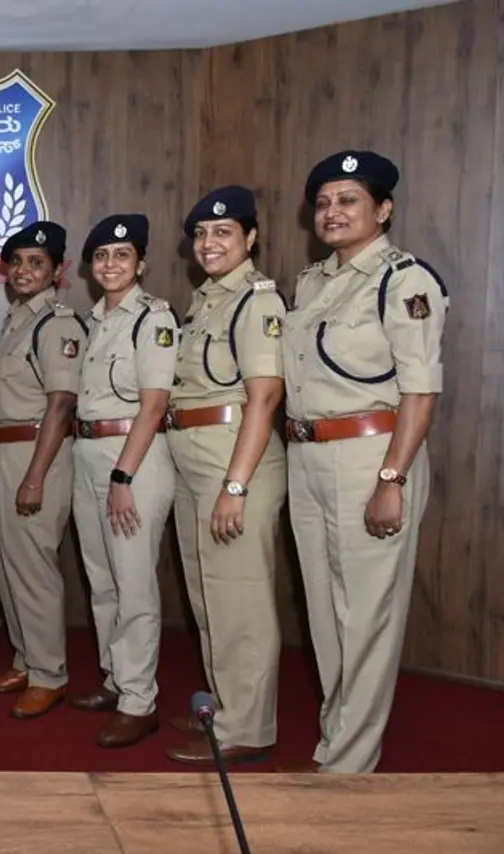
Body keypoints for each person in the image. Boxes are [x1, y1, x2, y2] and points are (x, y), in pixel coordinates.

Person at [282, 151, 447, 774]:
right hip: (307, 455)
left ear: (383, 209)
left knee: (368, 616)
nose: (333, 212)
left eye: (348, 200)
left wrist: (392, 478)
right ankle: (337, 738)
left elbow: (420, 391)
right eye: (324, 202)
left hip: (371, 456)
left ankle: (348, 767)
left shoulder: (405, 281)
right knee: (325, 613)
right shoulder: (313, 280)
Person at [163, 186, 287, 766]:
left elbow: (264, 399)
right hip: (195, 456)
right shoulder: (207, 300)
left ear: (251, 239)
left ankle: (249, 727)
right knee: (208, 595)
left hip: (234, 458)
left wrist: (236, 486)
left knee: (240, 597)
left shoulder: (257, 300)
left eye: (224, 233)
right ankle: (226, 706)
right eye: (202, 235)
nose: (210, 244)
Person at [68, 214, 179, 748]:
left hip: (130, 460)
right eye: (102, 257)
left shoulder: (152, 319)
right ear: (91, 268)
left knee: (133, 582)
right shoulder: (94, 322)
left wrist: (122, 475)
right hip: (88, 451)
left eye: (122, 256)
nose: (111, 265)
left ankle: (140, 701)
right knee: (102, 579)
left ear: (142, 264)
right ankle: (117, 679)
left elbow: (154, 405)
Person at [0, 221, 84, 719]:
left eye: (36, 262)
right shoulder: (15, 321)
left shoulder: (56, 323)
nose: (25, 270)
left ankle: (49, 674)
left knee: (34, 567)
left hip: (33, 454)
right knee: (8, 562)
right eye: (17, 262)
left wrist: (35, 476)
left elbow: (61, 405)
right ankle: (26, 657)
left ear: (57, 271)